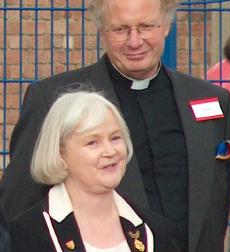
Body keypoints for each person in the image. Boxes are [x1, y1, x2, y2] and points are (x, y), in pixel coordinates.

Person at [0, 0, 230, 252]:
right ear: (102, 31)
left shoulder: (213, 101)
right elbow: (17, 209)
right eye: (121, 29)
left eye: (146, 26)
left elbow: (217, 203)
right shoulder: (54, 101)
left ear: (166, 26)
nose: (134, 41)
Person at [8, 91, 174, 252]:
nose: (110, 151)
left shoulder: (153, 229)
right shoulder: (28, 232)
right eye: (92, 142)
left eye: (115, 138)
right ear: (60, 154)